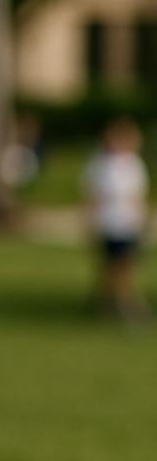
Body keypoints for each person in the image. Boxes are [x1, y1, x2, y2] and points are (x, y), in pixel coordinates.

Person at [84, 118, 150, 319]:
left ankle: (115, 305)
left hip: (128, 223)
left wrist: (143, 221)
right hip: (109, 223)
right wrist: (89, 221)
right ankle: (123, 307)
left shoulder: (134, 164)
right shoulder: (101, 164)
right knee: (113, 267)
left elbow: (138, 197)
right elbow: (93, 196)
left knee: (122, 267)